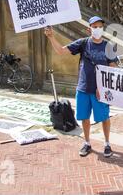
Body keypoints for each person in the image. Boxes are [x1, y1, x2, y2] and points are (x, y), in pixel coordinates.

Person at [44, 16, 118, 158]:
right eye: (94, 27)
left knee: (104, 117)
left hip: (100, 91)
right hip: (83, 88)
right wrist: (51, 37)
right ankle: (87, 142)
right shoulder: (83, 43)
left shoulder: (108, 46)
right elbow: (61, 51)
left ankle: (107, 144)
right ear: (88, 29)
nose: (97, 29)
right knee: (84, 118)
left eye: (100, 26)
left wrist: (103, 87)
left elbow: (113, 68)